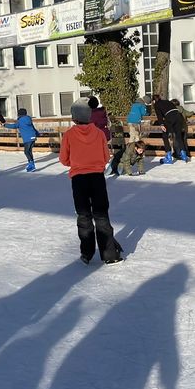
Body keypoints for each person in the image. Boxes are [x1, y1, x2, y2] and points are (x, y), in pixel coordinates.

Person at [59, 98, 123, 265]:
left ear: (74, 117)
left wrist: (76, 162)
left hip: (79, 178)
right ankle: (110, 254)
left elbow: (64, 159)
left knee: (84, 215)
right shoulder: (99, 133)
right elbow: (106, 156)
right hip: (97, 177)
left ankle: (87, 253)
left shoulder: (69, 135)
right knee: (101, 214)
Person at [152, 95, 188, 164]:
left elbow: (159, 115)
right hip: (178, 116)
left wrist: (162, 124)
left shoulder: (157, 104)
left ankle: (168, 157)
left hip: (170, 117)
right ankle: (183, 154)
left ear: (154, 101)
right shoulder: (167, 101)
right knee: (178, 136)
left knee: (165, 136)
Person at [3, 107, 39, 172]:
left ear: (19, 114)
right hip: (33, 137)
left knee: (26, 151)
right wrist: (37, 133)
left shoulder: (20, 120)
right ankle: (31, 163)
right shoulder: (29, 119)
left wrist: (5, 125)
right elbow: (33, 127)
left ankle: (32, 164)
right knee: (29, 151)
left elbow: (14, 126)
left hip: (27, 138)